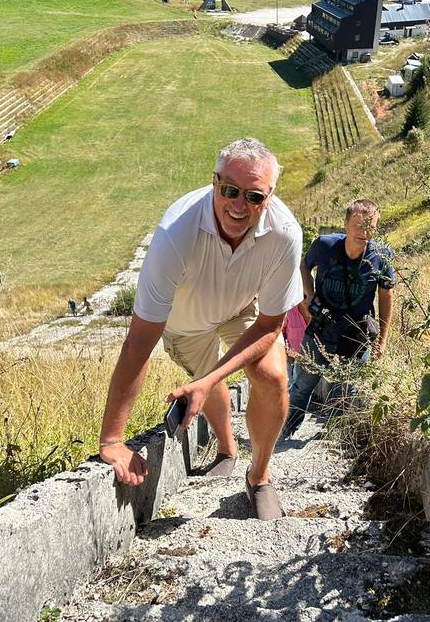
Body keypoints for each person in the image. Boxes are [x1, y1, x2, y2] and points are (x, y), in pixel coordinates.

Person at [97, 138, 302, 520]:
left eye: (254, 197)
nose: (240, 206)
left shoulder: (285, 234)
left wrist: (210, 377)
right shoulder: (176, 232)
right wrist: (113, 439)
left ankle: (258, 477)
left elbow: (270, 324)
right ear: (214, 183)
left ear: (269, 198)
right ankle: (227, 449)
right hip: (185, 323)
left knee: (272, 376)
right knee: (206, 383)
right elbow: (140, 340)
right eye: (230, 191)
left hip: (242, 308)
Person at [281, 199, 394, 439]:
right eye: (358, 225)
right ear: (345, 224)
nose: (364, 232)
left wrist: (382, 340)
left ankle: (332, 437)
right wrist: (308, 297)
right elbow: (304, 266)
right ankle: (284, 431)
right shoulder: (324, 245)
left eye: (371, 226)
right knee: (303, 384)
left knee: (345, 391)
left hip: (358, 335)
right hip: (320, 330)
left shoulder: (381, 255)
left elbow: (386, 295)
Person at [282, 303, 308, 386]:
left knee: (302, 386)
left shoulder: (316, 312)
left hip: (308, 358)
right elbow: (281, 329)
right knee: (287, 383)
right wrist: (285, 350)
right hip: (290, 356)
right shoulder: (290, 310)